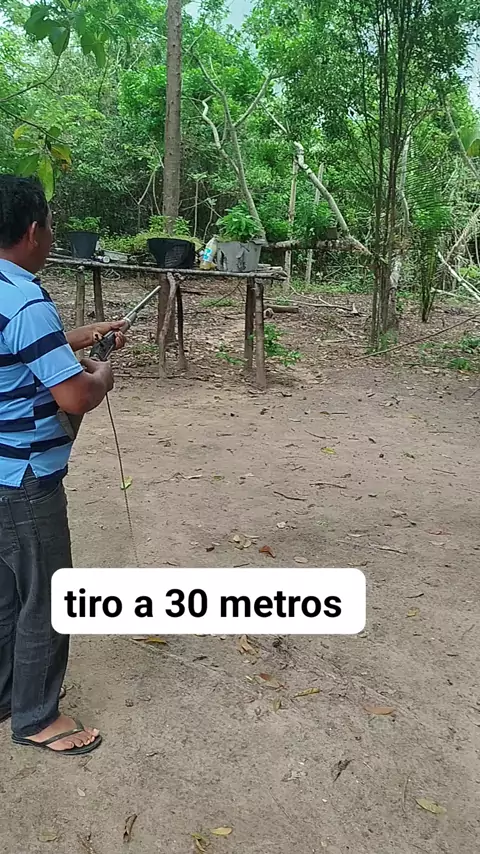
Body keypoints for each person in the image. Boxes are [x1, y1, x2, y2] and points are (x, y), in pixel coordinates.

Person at [0, 175, 126, 755]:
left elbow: (20, 349)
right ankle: (36, 718)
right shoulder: (27, 300)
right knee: (47, 597)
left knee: (8, 593)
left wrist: (80, 335)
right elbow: (74, 396)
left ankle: (8, 695)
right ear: (33, 232)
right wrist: (102, 372)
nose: (51, 237)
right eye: (50, 227)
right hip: (26, 479)